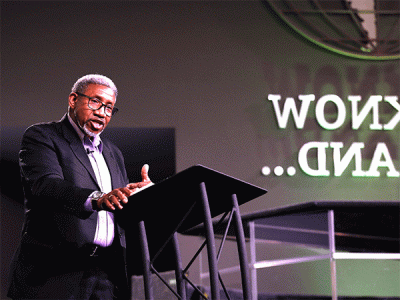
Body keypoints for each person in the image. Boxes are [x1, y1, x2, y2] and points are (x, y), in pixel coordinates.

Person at [7, 74, 152, 299]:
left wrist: (140, 195)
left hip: (106, 273)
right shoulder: (43, 136)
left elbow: (117, 204)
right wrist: (96, 198)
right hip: (55, 271)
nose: (102, 112)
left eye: (109, 108)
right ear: (73, 100)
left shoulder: (113, 153)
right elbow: (46, 185)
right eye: (95, 102)